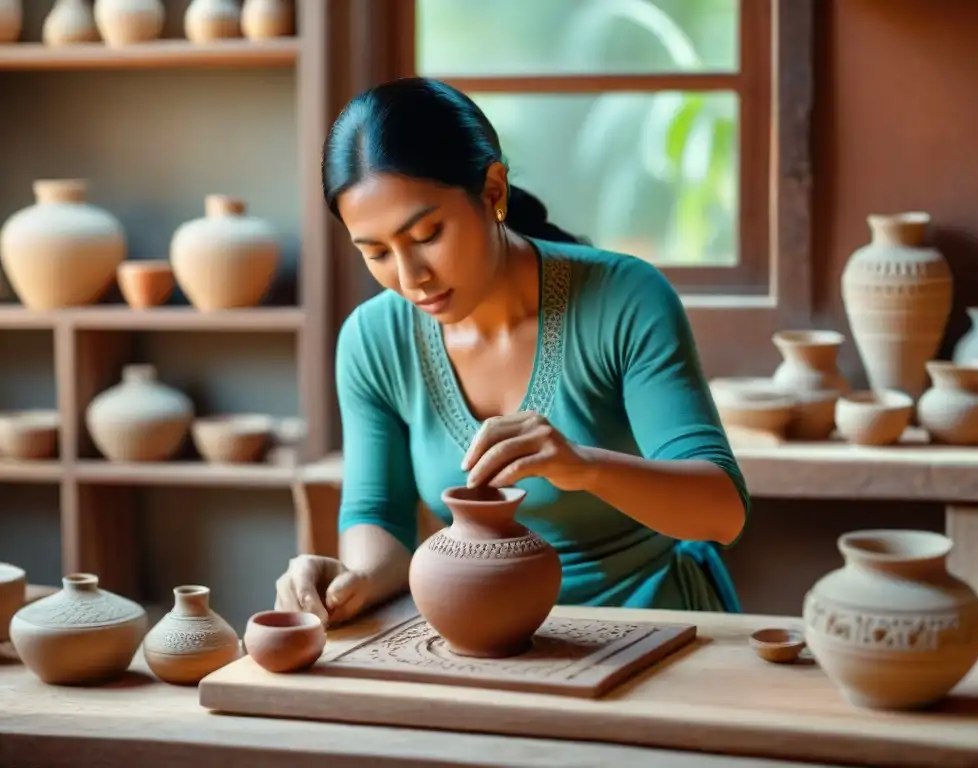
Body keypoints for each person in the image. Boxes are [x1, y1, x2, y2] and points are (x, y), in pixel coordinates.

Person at [274, 76, 750, 627]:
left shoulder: (626, 299)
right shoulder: (372, 340)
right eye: (376, 252)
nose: (410, 278)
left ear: (493, 192)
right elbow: (378, 516)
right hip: (487, 634)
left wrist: (584, 466)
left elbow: (723, 511)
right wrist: (351, 579)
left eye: (428, 235)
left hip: (656, 625)